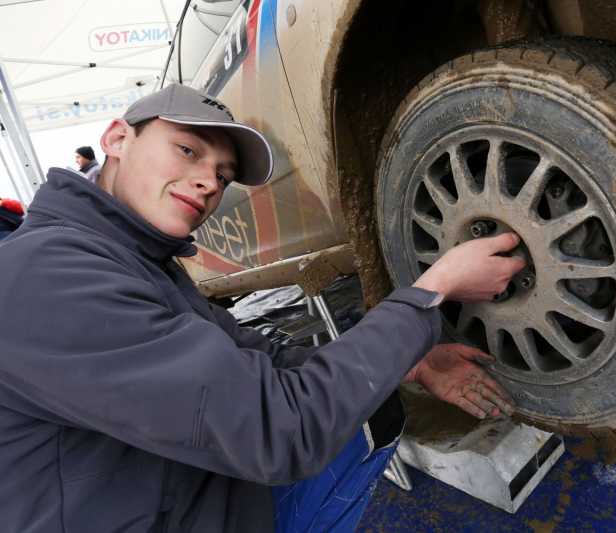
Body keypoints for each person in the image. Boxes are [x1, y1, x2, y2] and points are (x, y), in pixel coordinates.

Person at [0, 84, 526, 532]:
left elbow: (261, 357)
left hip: (190, 499)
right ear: (117, 138)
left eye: (223, 174)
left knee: (371, 405)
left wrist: (409, 359)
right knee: (332, 420)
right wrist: (434, 288)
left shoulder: (135, 258)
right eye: (187, 150)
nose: (209, 182)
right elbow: (283, 431)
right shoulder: (47, 276)